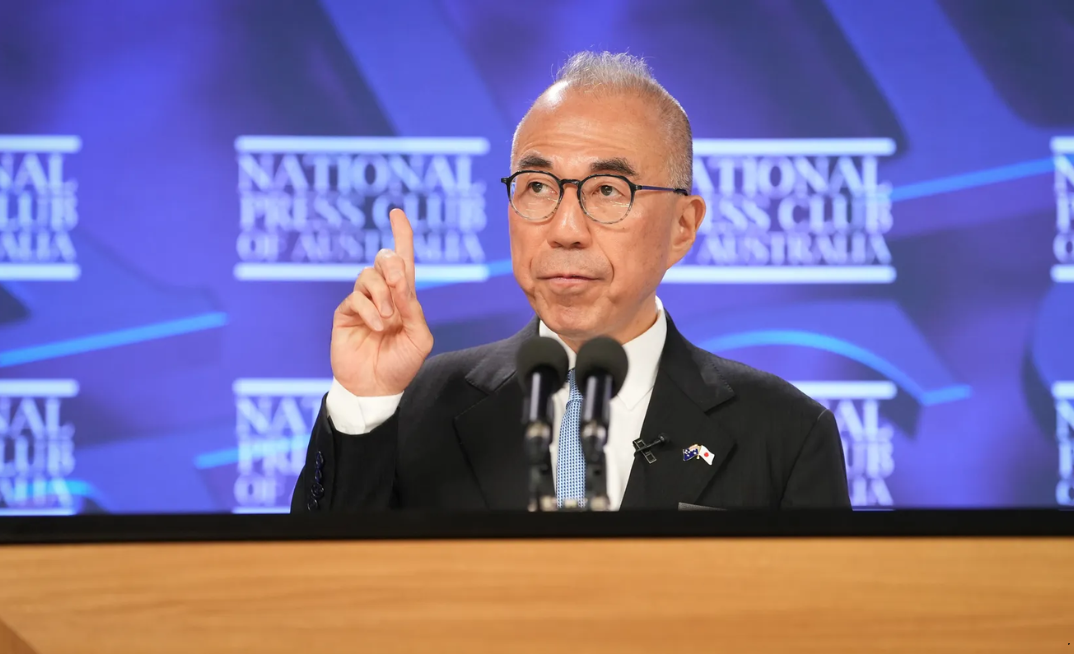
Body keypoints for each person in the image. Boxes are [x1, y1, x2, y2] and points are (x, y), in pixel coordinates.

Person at [291, 51, 850, 512]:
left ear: (683, 227)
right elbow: (315, 604)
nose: (565, 230)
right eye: (537, 187)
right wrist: (364, 403)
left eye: (608, 190)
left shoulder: (785, 434)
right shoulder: (418, 406)